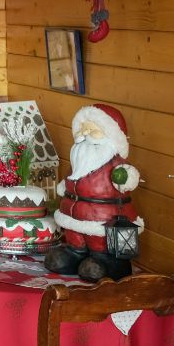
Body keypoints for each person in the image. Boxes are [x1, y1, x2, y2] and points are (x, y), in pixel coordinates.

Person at [45, 104, 142, 282]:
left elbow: (127, 179)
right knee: (75, 238)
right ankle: (75, 253)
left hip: (102, 219)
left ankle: (102, 260)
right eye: (83, 129)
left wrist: (126, 177)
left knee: (98, 242)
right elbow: (71, 179)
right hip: (72, 217)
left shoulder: (114, 164)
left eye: (93, 131)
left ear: (111, 136)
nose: (85, 134)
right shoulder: (79, 161)